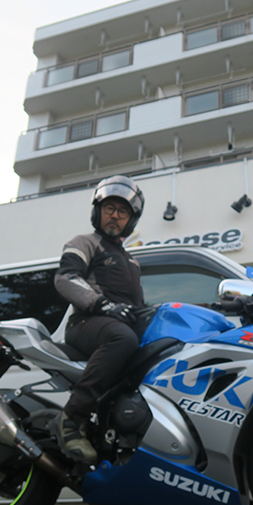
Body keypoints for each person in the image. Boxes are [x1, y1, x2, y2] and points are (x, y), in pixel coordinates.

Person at [48, 175, 146, 465]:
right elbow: (66, 278)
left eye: (123, 211)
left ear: (131, 220)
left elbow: (138, 306)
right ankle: (71, 419)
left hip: (116, 324)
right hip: (86, 323)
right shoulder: (84, 242)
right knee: (123, 339)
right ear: (97, 211)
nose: (115, 215)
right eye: (109, 208)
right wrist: (101, 304)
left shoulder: (132, 262)